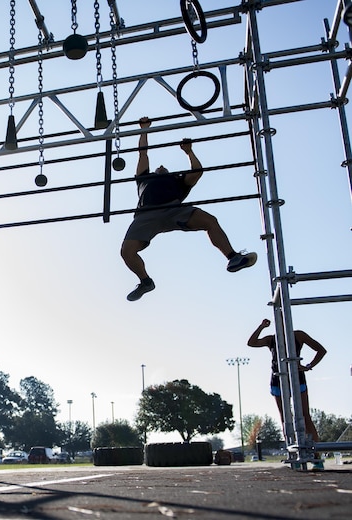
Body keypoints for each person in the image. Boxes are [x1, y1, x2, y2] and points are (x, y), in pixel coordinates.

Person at [120, 117, 257, 301]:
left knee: (210, 221)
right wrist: (144, 129)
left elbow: (197, 172)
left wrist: (189, 152)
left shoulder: (178, 180)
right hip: (146, 215)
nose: (161, 167)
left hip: (174, 210)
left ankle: (233, 257)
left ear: (168, 171)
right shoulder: (144, 179)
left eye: (164, 167)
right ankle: (145, 282)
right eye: (159, 167)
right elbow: (142, 154)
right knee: (126, 251)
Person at [247, 318, 327, 468]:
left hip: (297, 378)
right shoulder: (271, 339)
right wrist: (261, 326)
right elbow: (251, 342)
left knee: (305, 415)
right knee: (285, 418)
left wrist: (308, 366)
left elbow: (321, 350)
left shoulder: (298, 335)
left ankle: (316, 456)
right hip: (278, 379)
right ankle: (293, 454)